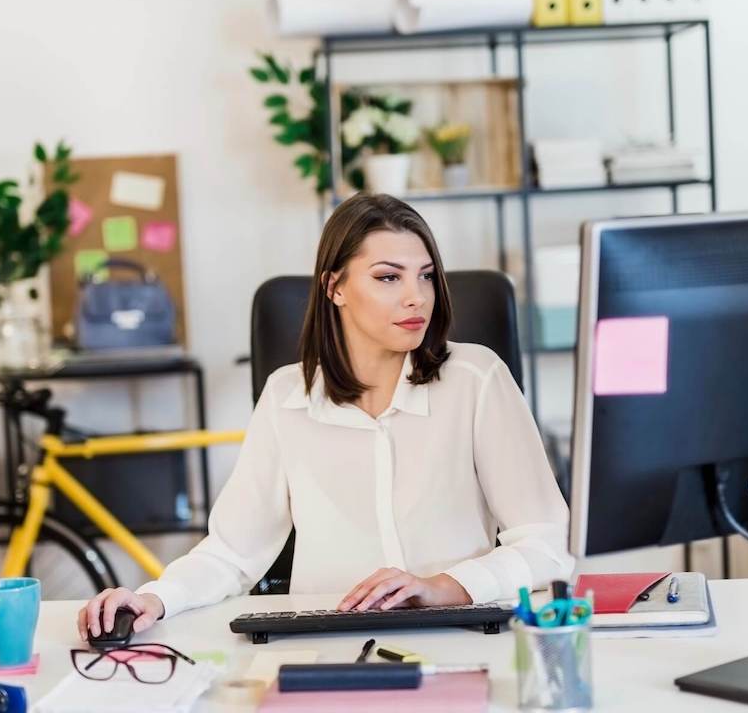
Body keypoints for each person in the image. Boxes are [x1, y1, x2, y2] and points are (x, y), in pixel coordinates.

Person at [77, 193, 572, 641]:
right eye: (387, 277)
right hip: (326, 645)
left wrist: (444, 587)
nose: (416, 296)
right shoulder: (286, 396)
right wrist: (153, 599)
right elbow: (232, 552)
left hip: (458, 637)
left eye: (425, 275)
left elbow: (547, 544)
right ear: (334, 287)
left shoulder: (476, 378)